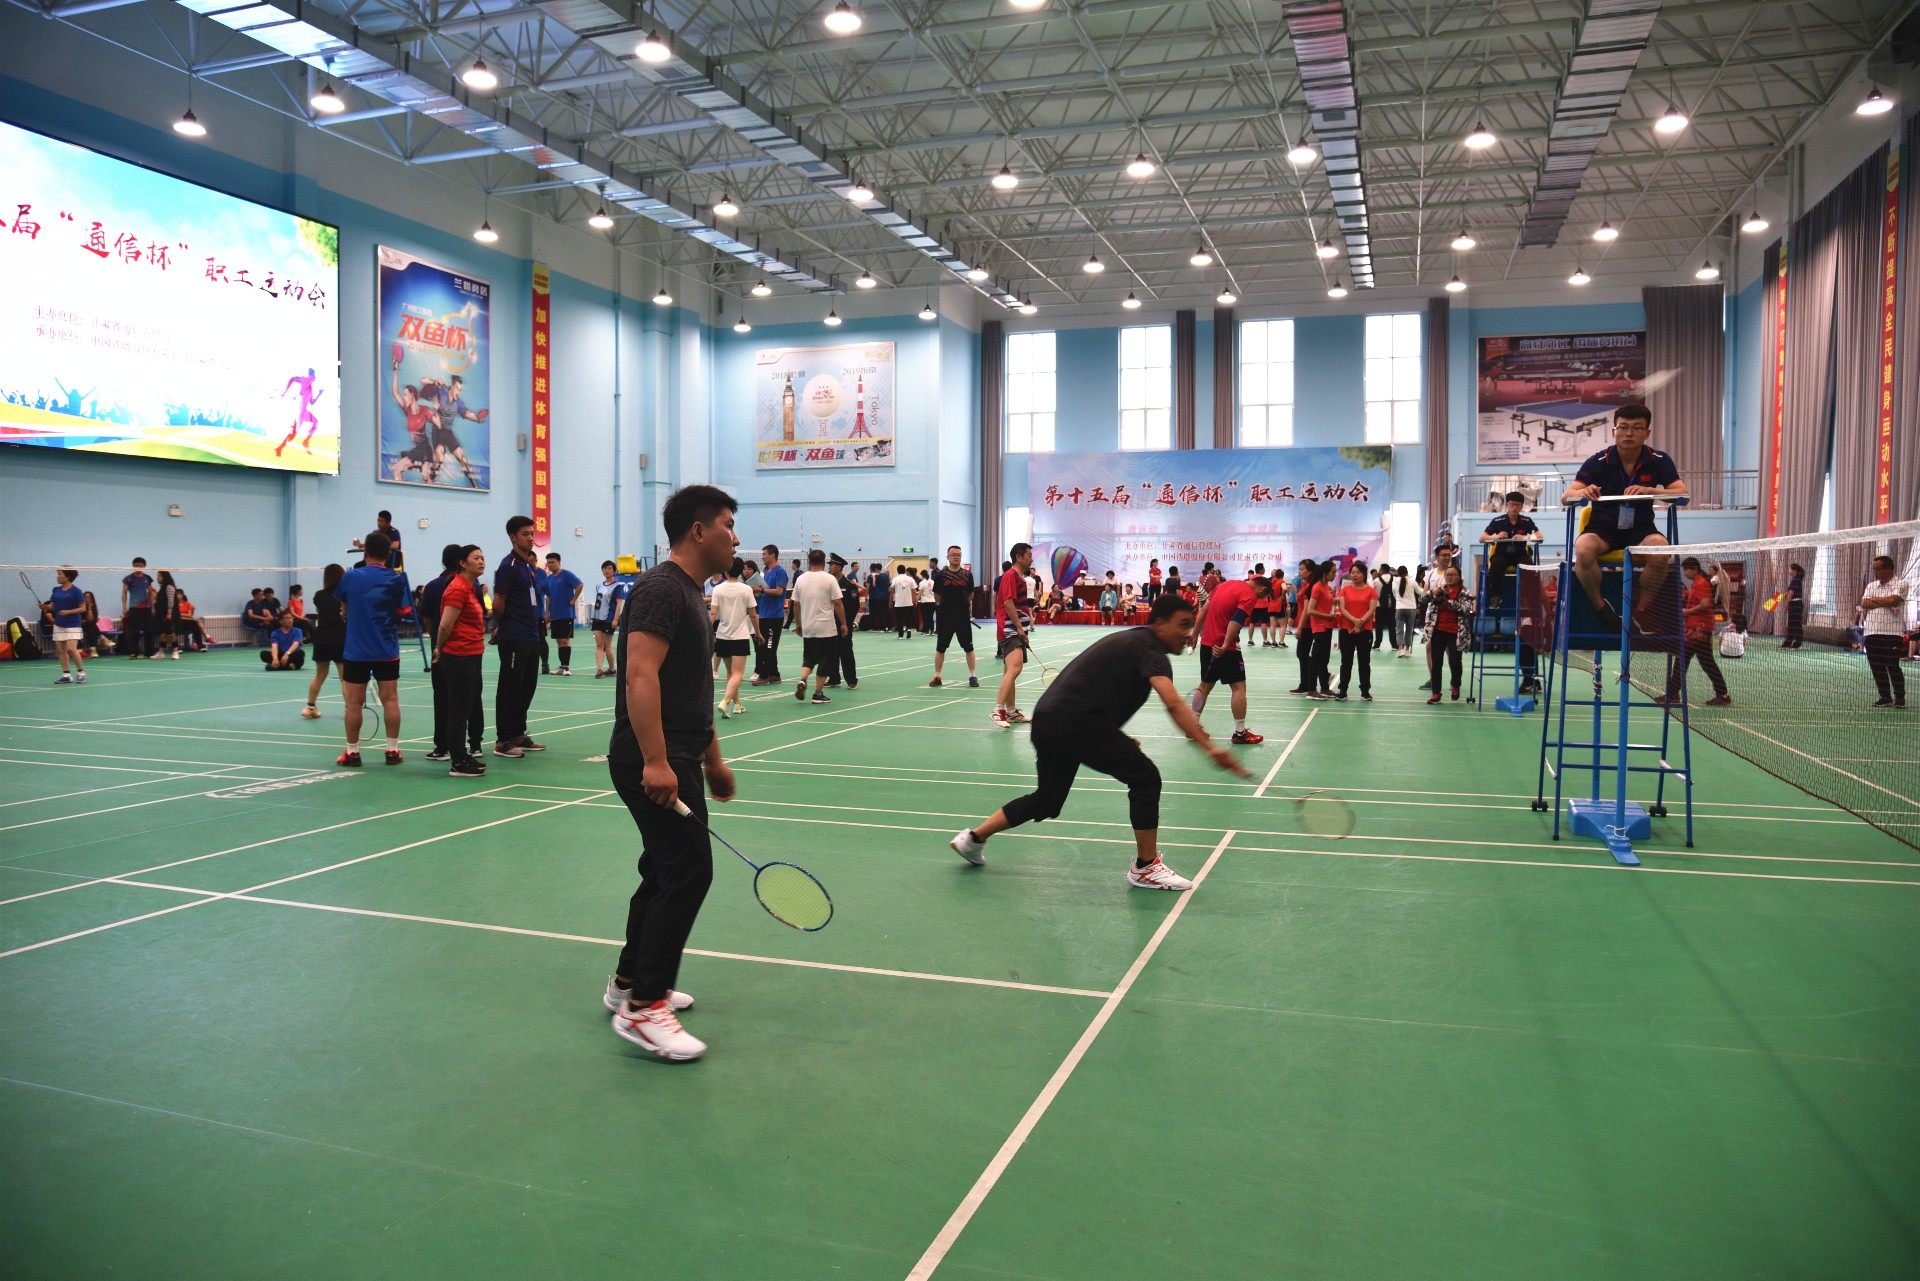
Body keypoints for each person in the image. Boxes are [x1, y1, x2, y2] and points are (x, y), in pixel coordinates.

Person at [948, 594, 1251, 890]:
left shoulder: (1133, 641)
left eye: (1190, 626)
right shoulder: (1151, 651)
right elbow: (1173, 704)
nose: (1187, 634)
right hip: (1076, 724)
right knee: (1145, 777)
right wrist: (1210, 748)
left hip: (1050, 721)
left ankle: (972, 839)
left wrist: (1115, 738)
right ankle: (1146, 867)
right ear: (1160, 624)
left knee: (1048, 800)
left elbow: (1095, 690)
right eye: (1182, 625)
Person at [605, 485, 741, 1063]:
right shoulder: (662, 588)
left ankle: (628, 984)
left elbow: (692, 690)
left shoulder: (692, 594)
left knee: (663, 870)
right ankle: (645, 1008)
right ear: (698, 530)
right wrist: (657, 761)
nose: (735, 537)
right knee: (688, 871)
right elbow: (641, 675)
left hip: (680, 754)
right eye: (728, 524)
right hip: (651, 757)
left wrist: (712, 759)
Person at [1561, 403, 1687, 632]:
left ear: (1647, 433)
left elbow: (1683, 494)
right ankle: (1601, 608)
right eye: (1623, 427)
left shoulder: (1659, 460)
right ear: (1614, 431)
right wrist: (1584, 492)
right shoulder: (1598, 461)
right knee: (1583, 549)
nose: (1629, 433)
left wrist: (1651, 491)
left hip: (1640, 527)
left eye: (1637, 428)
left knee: (1661, 552)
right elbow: (1566, 497)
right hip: (1603, 527)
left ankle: (1640, 612)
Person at [334, 531, 408, 766]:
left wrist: (348, 612)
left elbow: (343, 607)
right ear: (388, 554)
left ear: (365, 551)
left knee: (353, 702)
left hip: (356, 651)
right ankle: (392, 750)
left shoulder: (350, 577)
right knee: (391, 700)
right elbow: (403, 611)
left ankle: (352, 752)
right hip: (386, 649)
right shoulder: (397, 579)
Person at [1188, 564, 1264, 743]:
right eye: (1263, 596)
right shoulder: (1250, 594)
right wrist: (1226, 644)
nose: (1260, 599)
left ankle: (1192, 726)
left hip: (1207, 643)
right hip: (1224, 647)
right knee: (1239, 687)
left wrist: (1194, 634)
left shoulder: (1224, 585)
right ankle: (1240, 733)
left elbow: (1204, 610)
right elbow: (1236, 620)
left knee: (1204, 686)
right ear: (1261, 588)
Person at [492, 515, 545, 758]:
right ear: (513, 537)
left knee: (526, 688)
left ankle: (517, 734)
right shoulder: (508, 566)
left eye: (532, 534)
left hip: (532, 636)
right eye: (525, 534)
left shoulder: (527, 566)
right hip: (514, 636)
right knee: (510, 689)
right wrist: (505, 626)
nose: (531, 538)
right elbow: (498, 603)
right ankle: (503, 740)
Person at [434, 544, 490, 777]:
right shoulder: (457, 588)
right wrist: (440, 648)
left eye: (482, 557)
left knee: (466, 708)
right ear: (462, 563)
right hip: (459, 656)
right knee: (458, 710)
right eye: (476, 558)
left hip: (473, 654)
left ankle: (462, 754)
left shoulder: (471, 587)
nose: (481, 561)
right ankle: (457, 761)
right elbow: (445, 625)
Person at [1658, 557, 1731, 708]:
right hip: (1695, 629)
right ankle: (1722, 694)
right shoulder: (1696, 584)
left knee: (1686, 661)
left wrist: (1687, 611)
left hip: (1699, 630)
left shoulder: (1702, 584)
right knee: (1703, 663)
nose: (1685, 573)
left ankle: (1674, 694)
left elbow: (1705, 604)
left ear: (1695, 569)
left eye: (1687, 569)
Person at [418, 544, 464, 762]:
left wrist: (436, 638)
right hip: (464, 649)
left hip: (440, 648)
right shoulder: (466, 585)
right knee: (465, 699)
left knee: (442, 696)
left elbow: (427, 618)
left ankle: (442, 747)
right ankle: (471, 745)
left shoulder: (432, 586)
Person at [791, 550, 846, 704]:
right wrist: (843, 623)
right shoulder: (829, 579)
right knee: (825, 660)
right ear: (824, 561)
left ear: (809, 561)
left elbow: (796, 604)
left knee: (809, 658)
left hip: (808, 626)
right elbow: (837, 603)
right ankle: (818, 694)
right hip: (826, 627)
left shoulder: (801, 579)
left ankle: (803, 679)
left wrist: (799, 623)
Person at [709, 557, 759, 718]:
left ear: (726, 570)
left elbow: (713, 613)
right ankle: (725, 702)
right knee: (738, 673)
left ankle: (737, 704)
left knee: (731, 673)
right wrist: (758, 633)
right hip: (740, 637)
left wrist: (706, 629)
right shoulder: (746, 589)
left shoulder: (718, 589)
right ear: (741, 571)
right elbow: (753, 615)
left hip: (722, 636)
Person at [993, 543, 1035, 728]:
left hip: (1016, 629)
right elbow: (1008, 603)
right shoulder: (1010, 575)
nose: (1031, 559)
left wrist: (1023, 629)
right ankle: (998, 710)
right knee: (1015, 669)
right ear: (1019, 557)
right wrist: (1019, 628)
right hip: (1009, 629)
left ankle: (1011, 712)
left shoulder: (1020, 578)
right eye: (1029, 555)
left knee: (1009, 670)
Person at [1861, 555, 1909, 709]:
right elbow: (1864, 603)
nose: (1875, 572)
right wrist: (1884, 600)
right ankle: (1885, 697)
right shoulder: (1871, 585)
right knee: (1876, 666)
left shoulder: (1901, 583)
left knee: (1892, 665)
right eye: (1874, 569)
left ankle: (1900, 698)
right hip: (1872, 631)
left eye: (1878, 569)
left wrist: (1875, 600)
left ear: (1888, 569)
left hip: (1892, 633)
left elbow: (1894, 600)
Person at [929, 545, 979, 688]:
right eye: (953, 554)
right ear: (948, 557)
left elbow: (971, 593)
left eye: (958, 554)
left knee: (969, 647)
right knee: (941, 648)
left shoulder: (967, 575)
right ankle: (937, 676)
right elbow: (937, 595)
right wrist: (944, 606)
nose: (956, 557)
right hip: (945, 617)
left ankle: (972, 676)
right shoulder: (941, 575)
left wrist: (963, 605)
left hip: (962, 616)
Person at [1425, 565, 1473, 705]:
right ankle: (1436, 692)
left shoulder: (1465, 592)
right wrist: (1432, 593)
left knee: (1455, 661)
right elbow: (1422, 599)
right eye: (1447, 575)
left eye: (1453, 575)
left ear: (1459, 577)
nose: (1449, 577)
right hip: (1438, 630)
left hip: (1456, 632)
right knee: (1436, 662)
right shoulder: (1439, 590)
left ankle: (1456, 685)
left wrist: (1449, 603)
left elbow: (1467, 609)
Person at [303, 564, 346, 720]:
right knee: (344, 678)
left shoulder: (319, 595)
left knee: (319, 676)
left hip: (322, 638)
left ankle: (310, 707)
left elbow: (321, 611)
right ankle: (349, 709)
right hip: (340, 638)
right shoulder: (345, 594)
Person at [1334, 560, 1377, 701]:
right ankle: (1343, 691)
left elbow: (1371, 609)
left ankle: (1365, 691)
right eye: (1352, 572)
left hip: (1365, 631)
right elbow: (1342, 608)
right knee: (1346, 662)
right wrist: (1354, 621)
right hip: (1346, 630)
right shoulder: (1345, 590)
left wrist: (1360, 623)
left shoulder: (1371, 591)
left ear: (1364, 574)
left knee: (1364, 662)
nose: (1355, 575)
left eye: (1358, 572)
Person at [749, 544, 787, 684]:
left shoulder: (780, 572)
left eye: (764, 554)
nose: (762, 557)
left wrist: (762, 590)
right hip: (764, 615)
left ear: (772, 555)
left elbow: (779, 591)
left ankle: (764, 675)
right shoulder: (767, 573)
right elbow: (766, 591)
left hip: (774, 616)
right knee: (765, 645)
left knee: (769, 646)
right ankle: (774, 674)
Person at [541, 552, 584, 676]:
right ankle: (562, 667)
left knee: (565, 640)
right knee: (559, 641)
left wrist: (574, 600)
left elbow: (580, 585)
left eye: (552, 562)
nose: (550, 565)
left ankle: (566, 667)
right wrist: (547, 613)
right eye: (548, 562)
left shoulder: (566, 575)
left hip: (566, 614)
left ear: (558, 562)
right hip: (554, 615)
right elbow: (548, 597)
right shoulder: (549, 578)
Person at [1302, 560, 1337, 698]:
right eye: (1333, 572)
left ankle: (1324, 688)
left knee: (1324, 659)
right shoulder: (1317, 587)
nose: (1335, 574)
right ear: (1325, 573)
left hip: (1328, 626)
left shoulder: (1326, 586)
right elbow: (1310, 610)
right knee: (1315, 659)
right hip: (1320, 627)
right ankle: (1311, 689)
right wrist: (1327, 616)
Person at [825, 554, 861, 690]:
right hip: (829, 623)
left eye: (832, 565)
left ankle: (851, 680)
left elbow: (854, 606)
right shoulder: (828, 583)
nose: (829, 567)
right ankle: (834, 678)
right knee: (830, 652)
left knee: (845, 652)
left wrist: (846, 622)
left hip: (843, 624)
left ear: (839, 567)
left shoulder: (849, 585)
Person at [591, 560, 629, 678]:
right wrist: (593, 616)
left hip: (609, 619)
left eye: (609, 568)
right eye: (605, 568)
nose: (607, 570)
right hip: (597, 619)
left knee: (607, 645)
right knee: (599, 645)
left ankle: (612, 669)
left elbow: (619, 604)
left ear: (614, 571)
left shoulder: (617, 586)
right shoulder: (599, 585)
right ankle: (599, 669)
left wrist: (615, 619)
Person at [49, 569, 86, 685]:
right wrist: (45, 607)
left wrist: (68, 612)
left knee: (71, 648)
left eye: (60, 574)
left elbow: (83, 608)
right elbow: (52, 607)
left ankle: (81, 673)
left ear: (67, 577)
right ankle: (66, 675)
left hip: (73, 624)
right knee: (61, 650)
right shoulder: (57, 591)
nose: (57, 577)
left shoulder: (76, 591)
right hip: (59, 624)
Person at [120, 557, 154, 658]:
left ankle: (148, 653)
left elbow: (151, 593)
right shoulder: (128, 579)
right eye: (136, 565)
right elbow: (124, 593)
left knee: (149, 631)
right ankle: (134, 652)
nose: (138, 567)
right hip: (134, 608)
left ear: (144, 566)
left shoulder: (147, 578)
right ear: (133, 566)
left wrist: (152, 607)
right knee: (134, 631)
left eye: (140, 565)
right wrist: (124, 607)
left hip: (147, 608)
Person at [152, 570, 184, 660]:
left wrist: (169, 613)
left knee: (171, 633)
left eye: (159, 576)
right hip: (162, 613)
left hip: (169, 613)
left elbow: (170, 601)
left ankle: (175, 651)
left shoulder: (169, 587)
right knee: (162, 633)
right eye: (157, 576)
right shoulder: (163, 587)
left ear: (164, 577)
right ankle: (161, 653)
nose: (158, 578)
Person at [1390, 565, 1418, 657]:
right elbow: (1420, 592)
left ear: (1398, 573)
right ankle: (1407, 650)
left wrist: (1399, 600)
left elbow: (1394, 594)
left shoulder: (1394, 581)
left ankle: (1400, 649)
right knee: (1409, 630)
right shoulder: (1412, 581)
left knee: (1399, 629)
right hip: (1411, 608)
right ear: (1407, 572)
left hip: (1399, 608)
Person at [1781, 564, 1806, 648]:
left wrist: (1786, 605)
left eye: (1790, 569)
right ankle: (1788, 642)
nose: (1789, 571)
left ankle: (1797, 643)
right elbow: (1788, 592)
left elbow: (1791, 594)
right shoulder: (1795, 579)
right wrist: (1778, 597)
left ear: (1794, 570)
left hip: (1796, 605)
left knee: (1796, 624)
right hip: (1795, 605)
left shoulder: (1795, 580)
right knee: (1791, 624)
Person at [891, 564, 918, 639]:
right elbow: (914, 591)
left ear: (897, 571)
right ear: (905, 570)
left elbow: (891, 591)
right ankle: (908, 629)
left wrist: (890, 601)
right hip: (908, 602)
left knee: (900, 619)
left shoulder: (895, 579)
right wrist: (915, 600)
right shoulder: (910, 579)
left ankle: (900, 635)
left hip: (898, 603)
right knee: (909, 617)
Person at [916, 566, 936, 635]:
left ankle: (926, 630)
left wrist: (916, 600)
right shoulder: (933, 582)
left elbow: (920, 593)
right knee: (930, 616)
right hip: (932, 601)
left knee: (925, 616)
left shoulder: (922, 583)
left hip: (925, 601)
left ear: (922, 575)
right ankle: (932, 630)